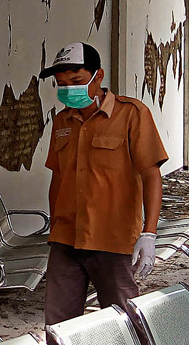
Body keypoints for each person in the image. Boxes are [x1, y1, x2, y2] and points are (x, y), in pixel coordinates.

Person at [40, 42, 168, 325]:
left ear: (98, 77)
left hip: (113, 240)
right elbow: (58, 178)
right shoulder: (62, 121)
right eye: (61, 84)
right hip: (66, 240)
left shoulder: (131, 114)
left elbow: (151, 174)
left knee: (124, 321)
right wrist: (55, 222)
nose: (68, 89)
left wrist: (149, 233)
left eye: (76, 81)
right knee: (59, 326)